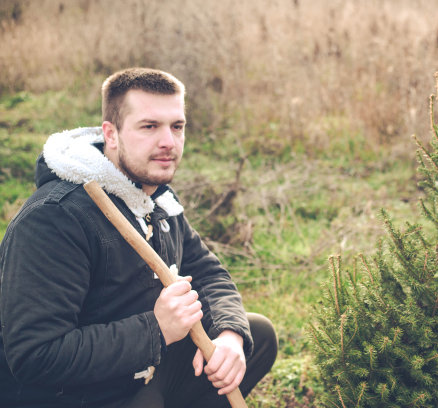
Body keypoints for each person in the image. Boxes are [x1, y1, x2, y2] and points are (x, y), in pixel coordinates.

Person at [0, 68, 277, 407]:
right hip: (81, 396)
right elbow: (35, 355)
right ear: (111, 134)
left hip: (139, 375)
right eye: (149, 127)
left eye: (177, 127)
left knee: (256, 335)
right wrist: (156, 329)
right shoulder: (55, 218)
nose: (168, 142)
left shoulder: (154, 197)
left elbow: (207, 273)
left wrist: (230, 336)